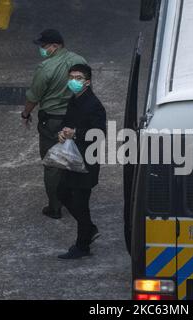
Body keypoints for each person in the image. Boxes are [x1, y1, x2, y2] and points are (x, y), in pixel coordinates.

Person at [22, 29, 87, 219]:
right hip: (74, 119)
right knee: (72, 157)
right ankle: (75, 197)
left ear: (55, 46)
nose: (42, 50)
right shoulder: (80, 61)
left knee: (52, 164)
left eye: (44, 46)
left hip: (52, 121)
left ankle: (55, 206)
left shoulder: (46, 68)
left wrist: (25, 114)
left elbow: (34, 96)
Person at [57, 64, 107, 260]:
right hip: (72, 157)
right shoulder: (74, 100)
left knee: (80, 201)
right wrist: (62, 132)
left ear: (87, 82)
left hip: (86, 161)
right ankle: (89, 229)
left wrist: (76, 133)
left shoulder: (94, 105)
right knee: (62, 192)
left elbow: (100, 134)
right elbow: (66, 122)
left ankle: (82, 245)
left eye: (77, 77)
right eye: (71, 77)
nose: (73, 81)